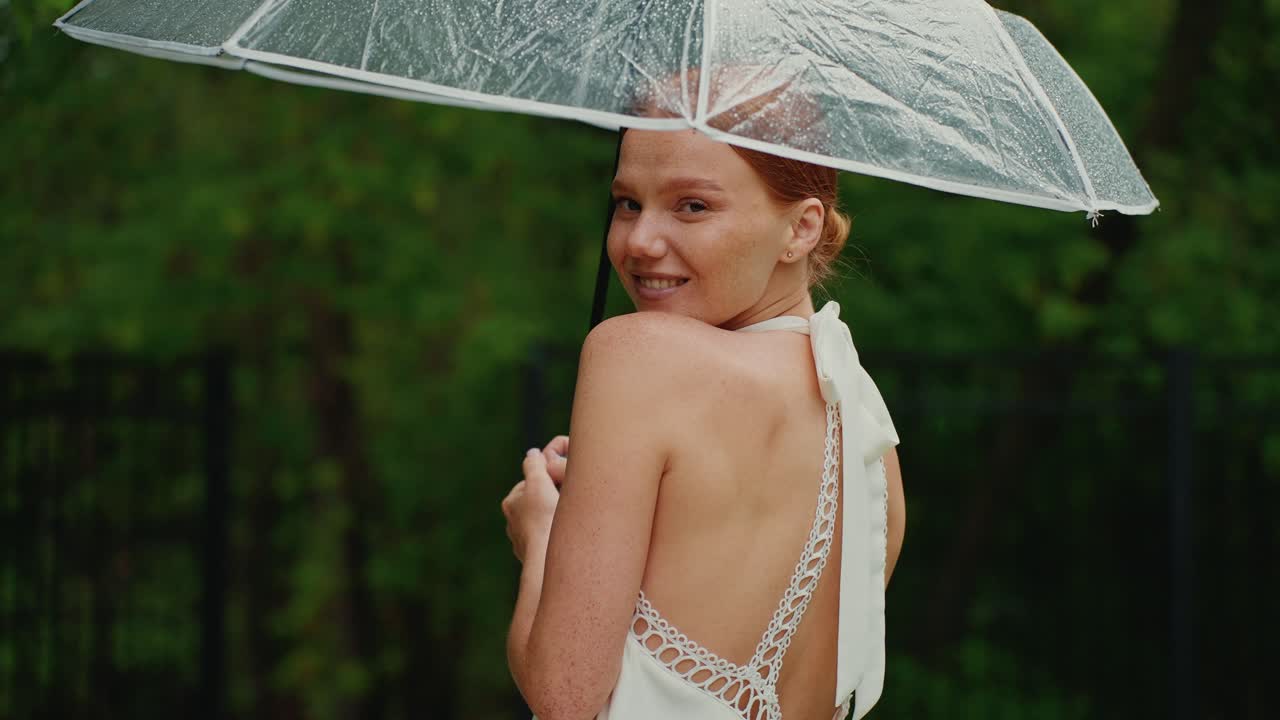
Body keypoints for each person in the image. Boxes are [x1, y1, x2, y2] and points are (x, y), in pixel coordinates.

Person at [501, 126, 905, 720]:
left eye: (692, 206)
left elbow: (564, 697)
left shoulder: (637, 355)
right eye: (627, 203)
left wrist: (540, 535)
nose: (639, 240)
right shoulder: (867, 428)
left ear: (801, 228)